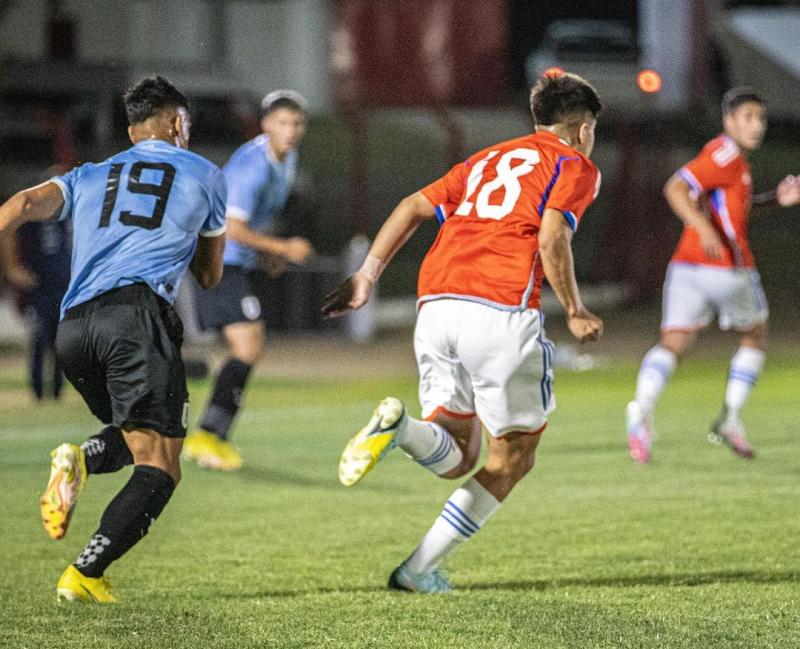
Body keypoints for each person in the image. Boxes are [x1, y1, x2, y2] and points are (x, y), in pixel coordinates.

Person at [322, 72, 604, 593]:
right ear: (582, 129)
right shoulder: (575, 163)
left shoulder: (486, 159)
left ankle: (401, 430)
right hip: (498, 311)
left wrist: (367, 276)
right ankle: (416, 570)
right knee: (511, 459)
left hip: (436, 306)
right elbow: (551, 235)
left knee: (456, 452)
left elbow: (411, 206)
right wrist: (576, 308)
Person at [0, 76, 227, 603]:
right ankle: (85, 572)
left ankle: (77, 461)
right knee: (162, 464)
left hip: (74, 328)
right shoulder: (206, 174)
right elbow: (211, 276)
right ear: (178, 123)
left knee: (137, 434)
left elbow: (23, 203)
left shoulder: (90, 173)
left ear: (130, 132)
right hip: (136, 318)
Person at [626, 87, 800, 464]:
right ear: (728, 121)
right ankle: (730, 419)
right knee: (754, 335)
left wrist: (774, 200)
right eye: (747, 117)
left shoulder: (733, 161)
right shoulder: (724, 154)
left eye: (761, 118)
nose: (756, 126)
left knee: (673, 342)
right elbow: (675, 187)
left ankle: (640, 411)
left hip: (687, 267)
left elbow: (733, 213)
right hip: (726, 268)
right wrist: (703, 228)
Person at [183, 90, 314, 471]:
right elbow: (231, 227)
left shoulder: (287, 160)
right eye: (282, 123)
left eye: (296, 123)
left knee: (247, 348)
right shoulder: (253, 165)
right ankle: (208, 436)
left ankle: (210, 435)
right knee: (248, 346)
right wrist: (283, 247)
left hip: (232, 261)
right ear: (265, 125)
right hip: (215, 259)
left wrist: (267, 253)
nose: (290, 131)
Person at [1, 215, 70, 399]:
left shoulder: (65, 212)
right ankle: (37, 389)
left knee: (60, 338)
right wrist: (13, 269)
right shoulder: (32, 214)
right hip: (38, 285)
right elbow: (10, 236)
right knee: (40, 336)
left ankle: (57, 389)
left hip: (62, 284)